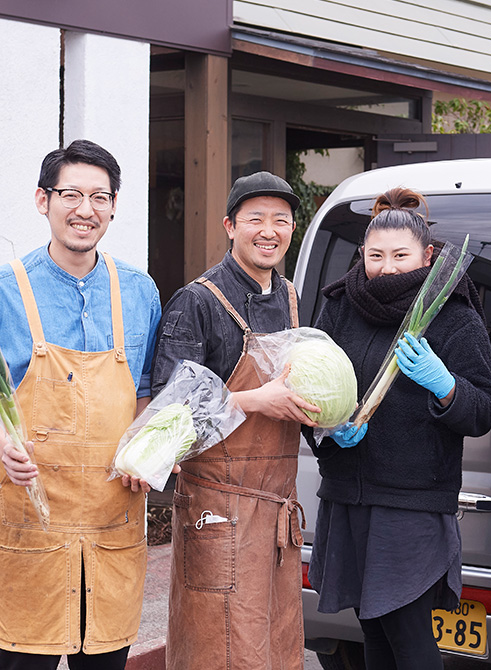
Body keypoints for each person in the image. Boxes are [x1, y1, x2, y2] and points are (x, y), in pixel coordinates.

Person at [306, 188, 491, 670]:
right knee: (371, 629)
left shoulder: (453, 315)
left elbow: (482, 411)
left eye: (400, 255)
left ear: (427, 255)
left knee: (408, 633)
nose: (387, 267)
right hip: (349, 495)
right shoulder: (339, 307)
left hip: (411, 504)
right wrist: (328, 430)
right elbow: (309, 390)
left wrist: (446, 385)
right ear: (362, 254)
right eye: (376, 255)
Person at [0, 139, 161, 669]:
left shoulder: (140, 291)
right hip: (29, 525)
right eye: (71, 194)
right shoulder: (6, 291)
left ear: (114, 206)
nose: (85, 209)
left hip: (111, 523)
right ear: (43, 201)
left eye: (100, 196)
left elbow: (146, 396)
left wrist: (151, 452)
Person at [151, 171, 321, 670]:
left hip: (278, 519)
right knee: (217, 651)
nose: (269, 231)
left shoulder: (290, 297)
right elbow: (169, 418)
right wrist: (253, 400)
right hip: (218, 516)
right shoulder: (197, 302)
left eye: (281, 220)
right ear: (229, 226)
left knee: (275, 649)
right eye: (255, 219)